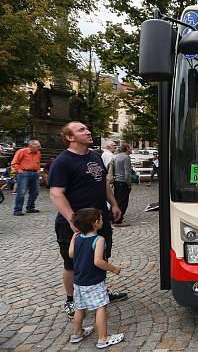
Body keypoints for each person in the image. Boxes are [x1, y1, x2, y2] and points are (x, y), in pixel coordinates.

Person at [48, 121, 127, 318]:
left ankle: (99, 291)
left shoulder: (95, 156)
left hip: (100, 220)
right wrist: (72, 220)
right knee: (72, 263)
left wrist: (114, 204)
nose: (88, 131)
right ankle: (71, 300)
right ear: (70, 137)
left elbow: (104, 183)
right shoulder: (62, 162)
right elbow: (56, 194)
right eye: (81, 129)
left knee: (101, 257)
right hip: (75, 224)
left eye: (87, 128)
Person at [68, 208, 124, 348]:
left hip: (79, 281)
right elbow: (98, 261)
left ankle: (77, 333)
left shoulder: (78, 237)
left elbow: (71, 254)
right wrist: (113, 268)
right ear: (96, 223)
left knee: (80, 307)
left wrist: (72, 240)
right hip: (93, 281)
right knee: (101, 306)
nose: (103, 221)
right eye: (101, 219)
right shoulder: (99, 239)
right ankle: (103, 338)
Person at [11, 140, 41, 216]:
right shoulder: (22, 151)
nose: (39, 147)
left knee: (35, 192)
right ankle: (17, 210)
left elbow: (37, 163)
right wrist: (20, 171)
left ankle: (30, 208)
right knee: (21, 192)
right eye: (38, 146)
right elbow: (14, 163)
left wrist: (38, 170)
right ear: (31, 146)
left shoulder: (38, 153)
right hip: (24, 173)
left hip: (35, 174)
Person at [111, 144, 133, 227]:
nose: (132, 149)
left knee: (116, 200)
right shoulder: (126, 157)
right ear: (127, 148)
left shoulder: (116, 156)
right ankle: (118, 221)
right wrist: (129, 184)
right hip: (123, 182)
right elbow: (127, 173)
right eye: (131, 147)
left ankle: (112, 218)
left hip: (116, 181)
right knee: (123, 202)